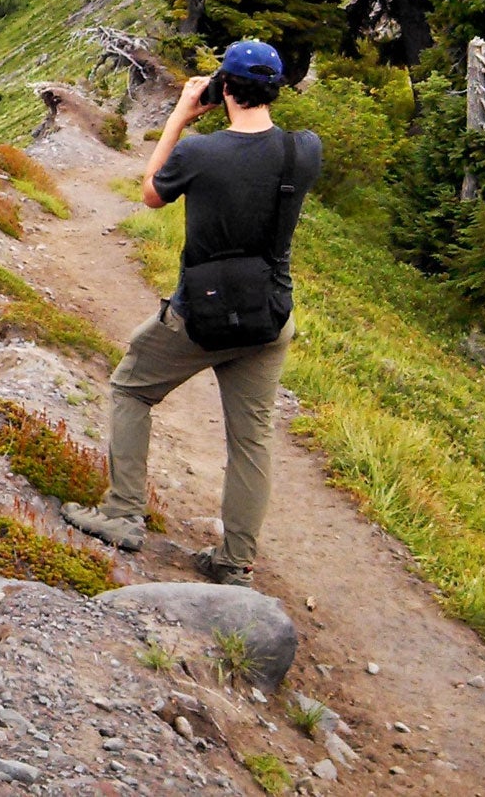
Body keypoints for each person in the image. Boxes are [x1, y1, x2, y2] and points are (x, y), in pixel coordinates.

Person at [62, 39, 321, 587]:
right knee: (251, 440)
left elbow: (151, 193)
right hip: (270, 315)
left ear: (223, 88)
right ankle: (235, 563)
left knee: (132, 388)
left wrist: (180, 114)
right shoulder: (305, 151)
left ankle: (123, 513)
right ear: (275, 90)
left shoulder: (201, 154)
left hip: (198, 315)